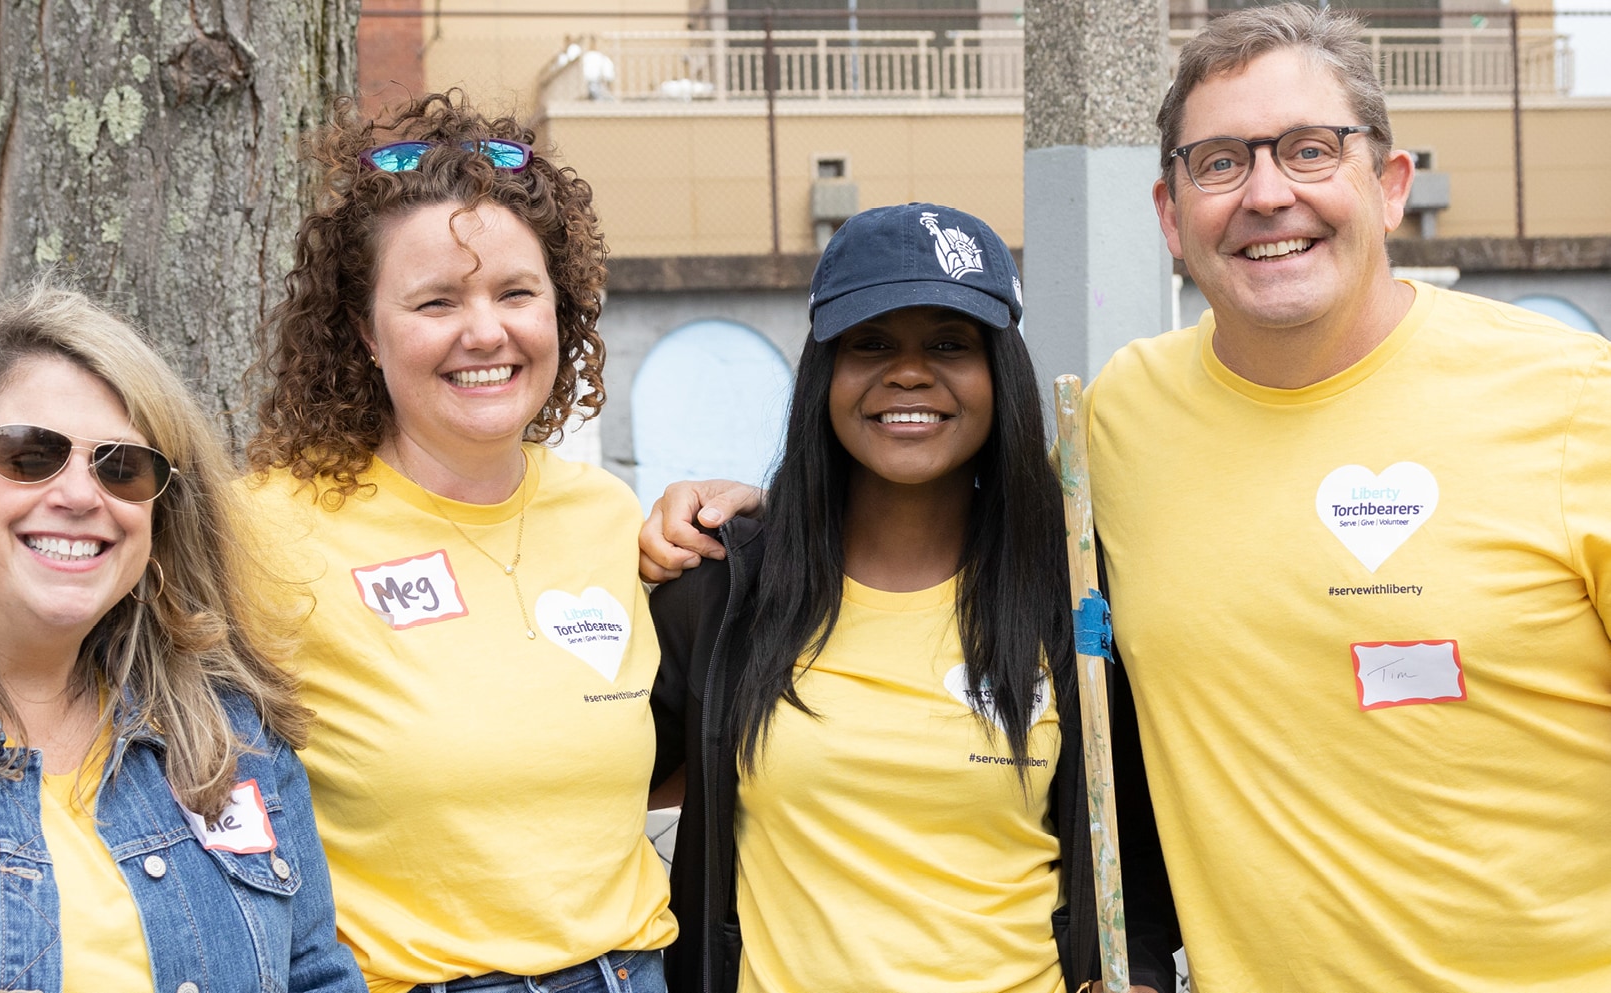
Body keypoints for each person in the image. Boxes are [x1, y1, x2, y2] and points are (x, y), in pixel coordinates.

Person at [646, 6, 1611, 991]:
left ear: (1390, 183)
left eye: (1310, 152)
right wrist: (743, 509)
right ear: (1168, 212)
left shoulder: (1576, 402)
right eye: (1222, 162)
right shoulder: (1118, 425)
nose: (1267, 193)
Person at [646, 203, 1178, 993]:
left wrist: (1130, 973)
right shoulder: (725, 586)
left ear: (1000, 371)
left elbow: (1132, 858)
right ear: (825, 371)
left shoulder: (1074, 591)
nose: (907, 371)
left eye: (947, 343)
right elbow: (588, 785)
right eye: (871, 343)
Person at [242, 90, 673, 993]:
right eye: (437, 301)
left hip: (633, 974)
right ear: (365, 332)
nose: (487, 331)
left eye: (516, 291)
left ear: (561, 309)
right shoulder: (266, 524)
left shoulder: (605, 513)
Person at [0, 285, 363, 993]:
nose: (82, 495)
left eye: (122, 468)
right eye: (30, 455)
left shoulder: (232, 729)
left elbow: (315, 975)